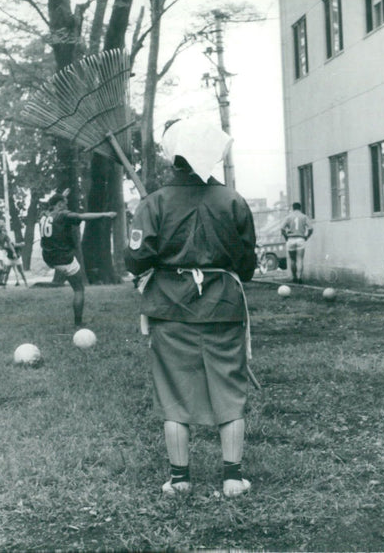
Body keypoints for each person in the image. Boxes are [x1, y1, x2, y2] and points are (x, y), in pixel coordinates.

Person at [124, 119, 257, 498]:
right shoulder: (233, 201)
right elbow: (246, 266)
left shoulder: (154, 203)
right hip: (223, 307)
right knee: (229, 389)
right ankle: (233, 477)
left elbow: (136, 259)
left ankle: (180, 479)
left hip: (170, 307)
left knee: (174, 392)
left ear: (172, 157)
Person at [39, 189, 116, 327]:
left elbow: (52, 204)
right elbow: (83, 216)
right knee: (79, 289)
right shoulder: (63, 215)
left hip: (49, 257)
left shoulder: (44, 215)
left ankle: (78, 321)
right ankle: (78, 323)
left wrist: (62, 195)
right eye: (65, 203)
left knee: (76, 285)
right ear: (60, 204)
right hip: (63, 258)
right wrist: (105, 214)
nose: (67, 206)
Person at [280, 202, 313, 283]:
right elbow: (311, 228)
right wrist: (307, 237)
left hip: (291, 239)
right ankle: (299, 278)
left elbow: (282, 229)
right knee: (300, 259)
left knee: (292, 260)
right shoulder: (304, 216)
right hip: (300, 239)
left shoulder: (288, 217)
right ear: (300, 208)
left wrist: (286, 237)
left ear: (293, 208)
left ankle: (294, 277)